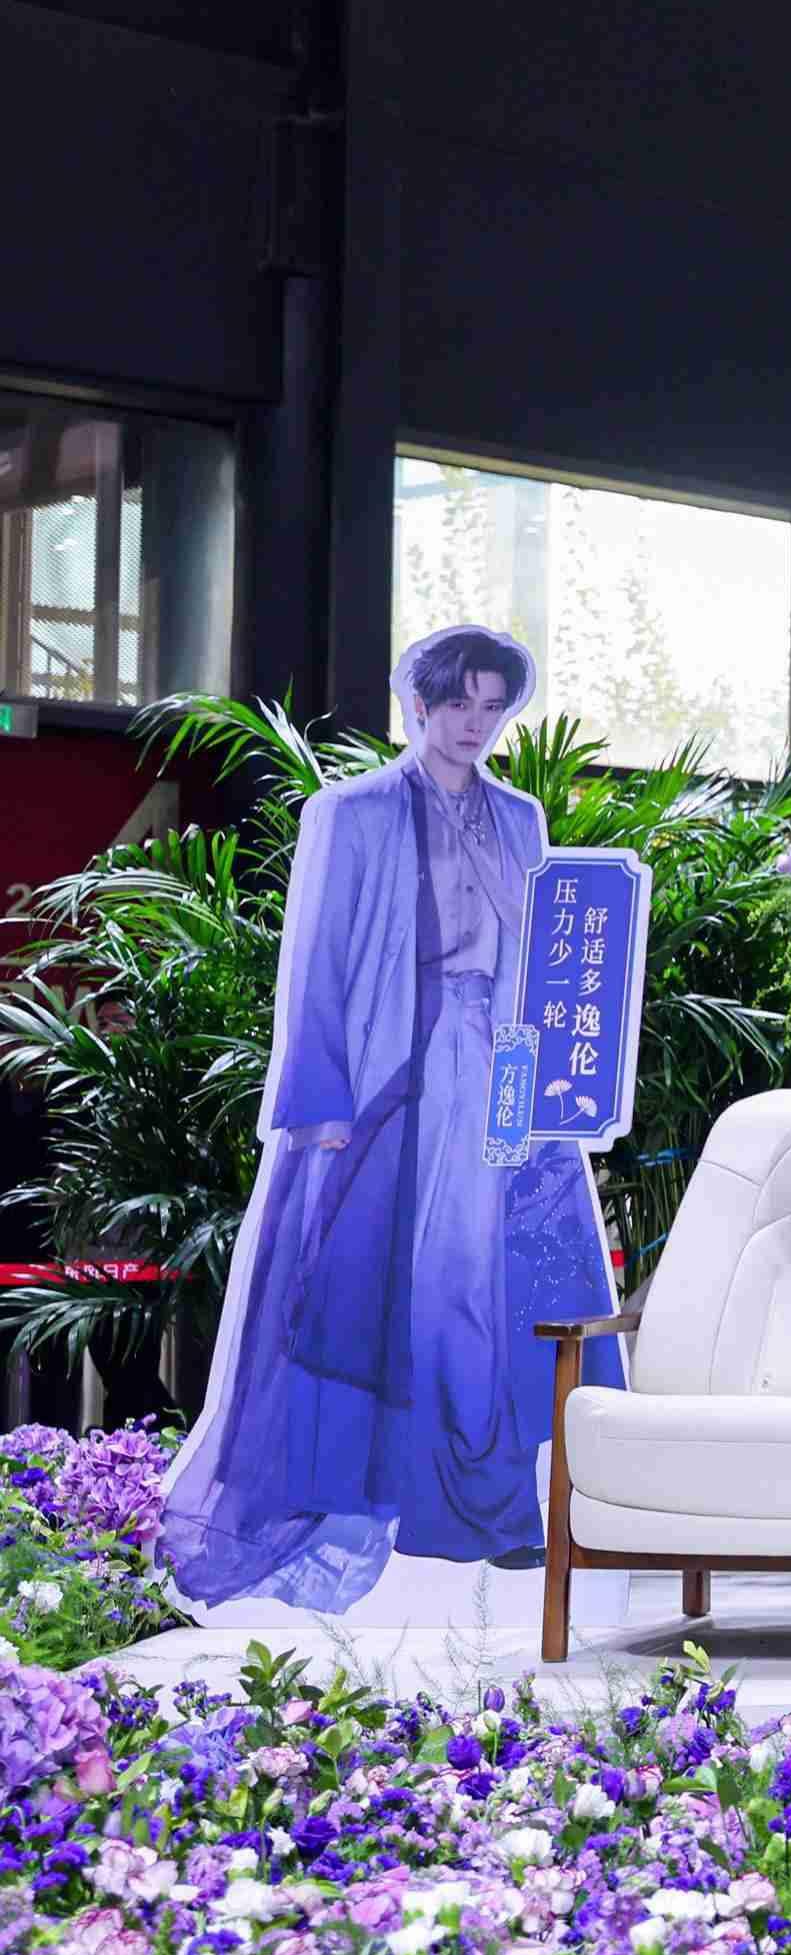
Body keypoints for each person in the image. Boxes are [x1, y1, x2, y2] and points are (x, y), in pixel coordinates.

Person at [158, 625, 625, 1609]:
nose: (475, 723)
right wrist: (320, 1105)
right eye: (458, 703)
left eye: (492, 706)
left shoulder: (521, 817)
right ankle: (391, 1496)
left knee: (490, 1285)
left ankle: (491, 1505)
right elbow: (318, 966)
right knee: (386, 1291)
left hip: (500, 1065)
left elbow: (549, 958)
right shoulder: (353, 811)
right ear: (418, 703)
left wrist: (558, 1090)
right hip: (395, 1075)